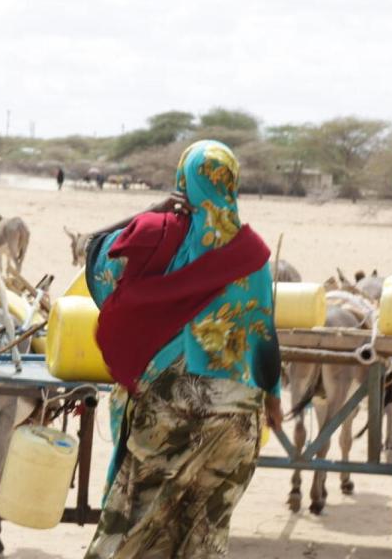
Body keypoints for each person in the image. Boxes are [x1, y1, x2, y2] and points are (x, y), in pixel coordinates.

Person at [83, 140, 283, 559]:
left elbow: (99, 265)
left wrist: (157, 209)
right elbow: (263, 332)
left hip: (169, 408)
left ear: (182, 181)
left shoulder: (159, 236)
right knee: (204, 533)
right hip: (237, 418)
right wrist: (273, 397)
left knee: (136, 523)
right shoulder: (254, 254)